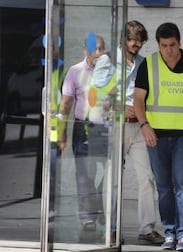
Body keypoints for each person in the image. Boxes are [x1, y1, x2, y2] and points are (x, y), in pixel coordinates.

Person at [134, 22, 183, 252]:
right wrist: (144, 125)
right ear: (158, 45)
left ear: (179, 42)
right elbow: (138, 100)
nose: (169, 50)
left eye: (172, 45)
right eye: (164, 45)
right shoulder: (149, 64)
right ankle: (170, 232)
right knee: (163, 186)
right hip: (156, 136)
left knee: (182, 184)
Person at [59, 34, 112, 232]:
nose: (100, 53)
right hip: (83, 128)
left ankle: (98, 204)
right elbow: (66, 104)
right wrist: (62, 133)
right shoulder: (75, 72)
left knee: (107, 174)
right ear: (85, 51)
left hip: (106, 128)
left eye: (102, 48)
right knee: (84, 174)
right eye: (95, 49)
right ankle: (87, 217)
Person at [117, 20, 164, 245]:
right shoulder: (109, 62)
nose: (136, 44)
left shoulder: (143, 63)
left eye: (139, 40)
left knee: (146, 177)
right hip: (116, 125)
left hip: (139, 126)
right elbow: (97, 94)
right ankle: (109, 229)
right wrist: (119, 107)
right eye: (132, 39)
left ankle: (147, 228)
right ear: (124, 39)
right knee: (113, 179)